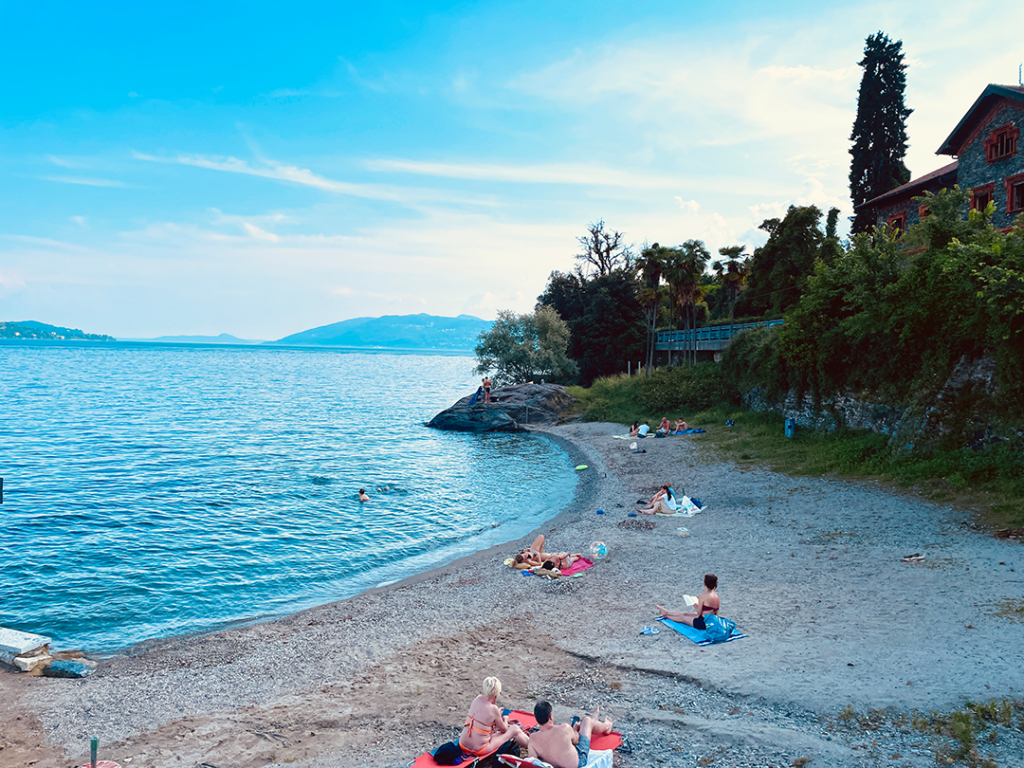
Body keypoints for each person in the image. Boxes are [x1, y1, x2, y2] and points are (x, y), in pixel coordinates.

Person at [458, 676, 529, 757]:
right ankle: (533, 747)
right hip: (478, 749)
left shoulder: (476, 700)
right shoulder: (493, 709)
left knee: (487, 730)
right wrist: (505, 719)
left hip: (463, 744)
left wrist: (496, 715)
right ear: (496, 694)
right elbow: (504, 729)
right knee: (514, 729)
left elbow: (483, 716)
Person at [528, 701, 613, 768]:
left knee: (584, 725)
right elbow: (578, 740)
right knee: (587, 722)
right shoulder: (564, 728)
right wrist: (574, 730)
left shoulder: (532, 739)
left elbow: (533, 761)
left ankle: (595, 719)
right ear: (551, 716)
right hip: (579, 763)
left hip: (555, 765)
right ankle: (606, 726)